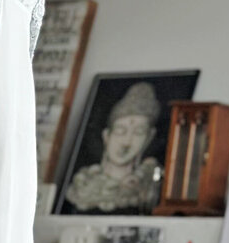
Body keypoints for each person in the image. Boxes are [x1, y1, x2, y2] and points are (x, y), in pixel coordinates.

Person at [66, 81, 162, 212]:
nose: (127, 142)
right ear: (106, 135)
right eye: (120, 131)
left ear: (148, 139)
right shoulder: (83, 183)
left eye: (138, 132)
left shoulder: (147, 185)